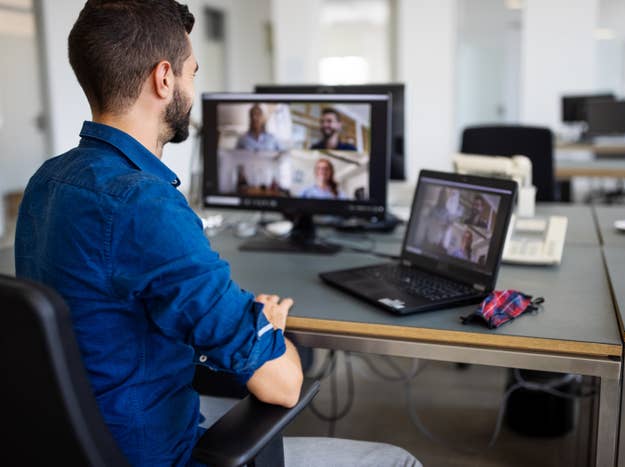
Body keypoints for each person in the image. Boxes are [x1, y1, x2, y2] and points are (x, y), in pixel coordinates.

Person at [14, 2, 420, 467]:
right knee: (398, 459)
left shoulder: (47, 180)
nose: (191, 87)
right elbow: (283, 385)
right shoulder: (145, 205)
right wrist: (264, 327)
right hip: (157, 451)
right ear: (163, 78)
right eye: (191, 73)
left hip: (86, 435)